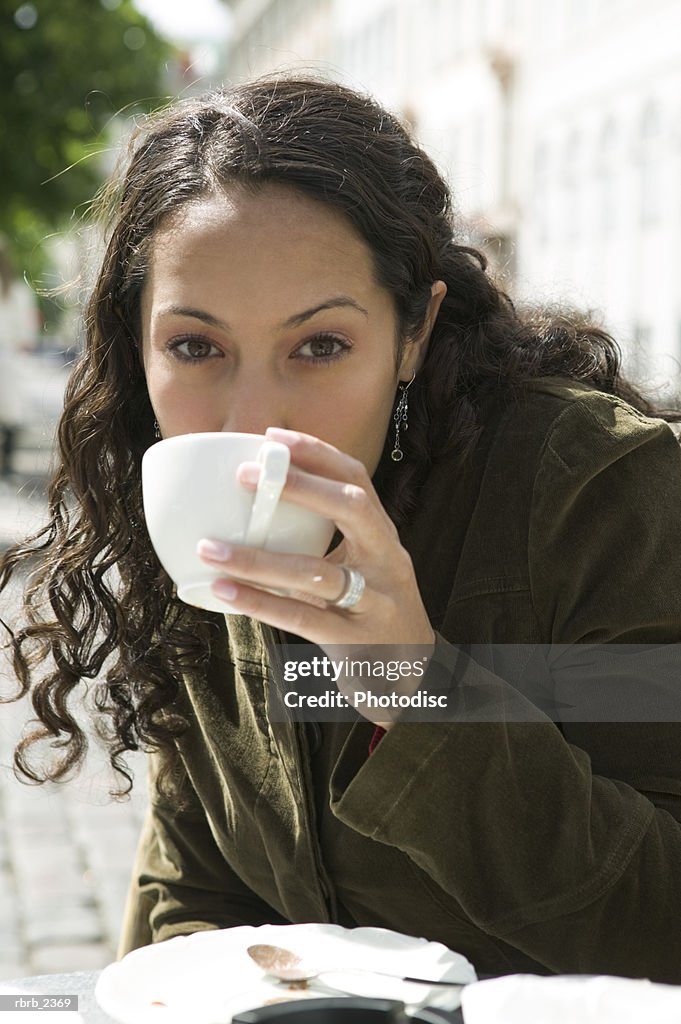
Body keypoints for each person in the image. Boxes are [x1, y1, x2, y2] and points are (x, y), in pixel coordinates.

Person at [3, 74, 681, 983]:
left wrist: (420, 689)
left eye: (319, 346)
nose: (251, 418)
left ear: (412, 333)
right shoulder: (175, 507)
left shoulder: (592, 493)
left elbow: (661, 925)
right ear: (136, 346)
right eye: (194, 347)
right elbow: (193, 885)